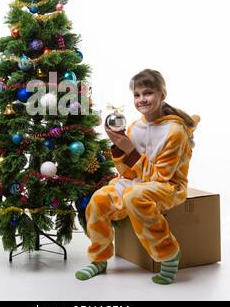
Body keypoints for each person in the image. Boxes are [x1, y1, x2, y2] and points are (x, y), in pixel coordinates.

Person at [75, 69, 200, 285]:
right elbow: (127, 173)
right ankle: (99, 258)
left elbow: (161, 177)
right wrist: (118, 149)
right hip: (138, 182)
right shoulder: (135, 127)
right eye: (137, 95)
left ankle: (169, 255)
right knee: (98, 199)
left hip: (169, 186)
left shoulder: (175, 131)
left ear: (162, 94)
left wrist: (130, 150)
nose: (142, 99)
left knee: (135, 196)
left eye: (148, 93)